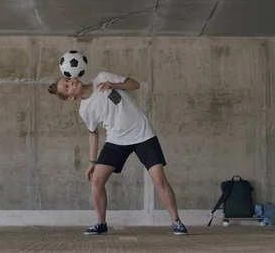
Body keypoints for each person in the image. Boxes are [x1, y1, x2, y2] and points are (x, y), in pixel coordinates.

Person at [48, 71, 188, 236]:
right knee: (96, 180)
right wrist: (92, 163)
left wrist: (115, 85)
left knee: (159, 180)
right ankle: (101, 224)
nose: (70, 83)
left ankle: (176, 222)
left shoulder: (102, 77)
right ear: (70, 98)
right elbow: (93, 133)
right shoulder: (84, 110)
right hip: (116, 139)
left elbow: (135, 84)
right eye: (67, 86)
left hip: (142, 134)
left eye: (68, 80)